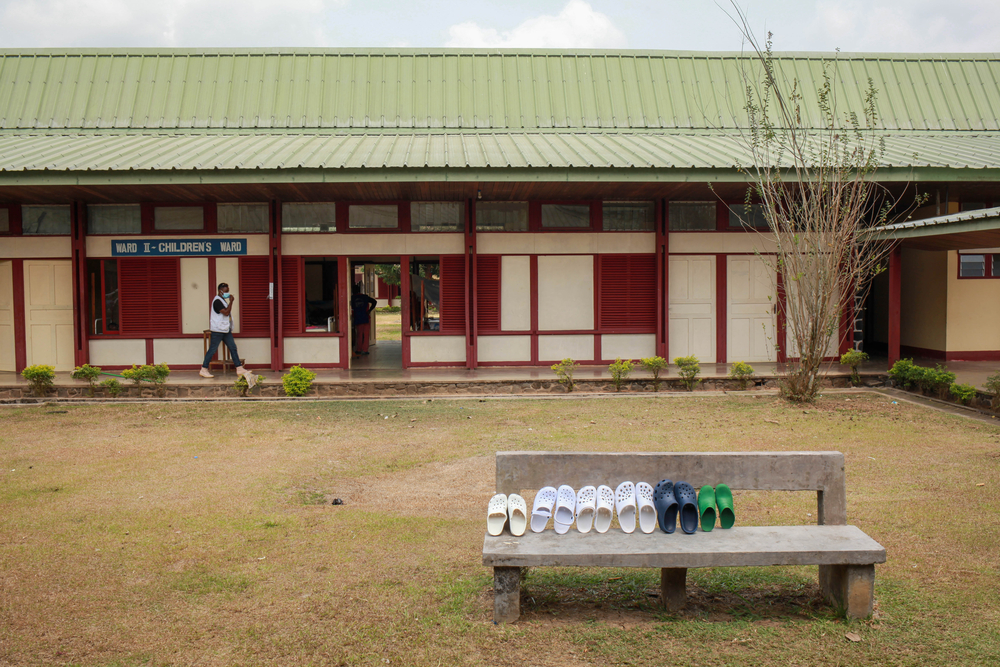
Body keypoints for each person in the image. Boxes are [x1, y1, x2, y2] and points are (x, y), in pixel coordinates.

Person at [200, 282, 246, 378]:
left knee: (233, 347)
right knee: (212, 350)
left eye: (228, 291)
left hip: (225, 330)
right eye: (226, 292)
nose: (228, 294)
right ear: (220, 291)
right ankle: (204, 369)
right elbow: (225, 312)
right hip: (218, 330)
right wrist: (231, 302)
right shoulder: (217, 301)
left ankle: (239, 368)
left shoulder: (222, 300)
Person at [350, 282, 378, 356]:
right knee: (366, 334)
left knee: (359, 334)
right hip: (366, 317)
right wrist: (369, 310)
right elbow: (374, 301)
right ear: (359, 290)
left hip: (357, 317)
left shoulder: (352, 298)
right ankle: (365, 350)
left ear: (353, 291)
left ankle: (358, 349)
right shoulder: (365, 297)